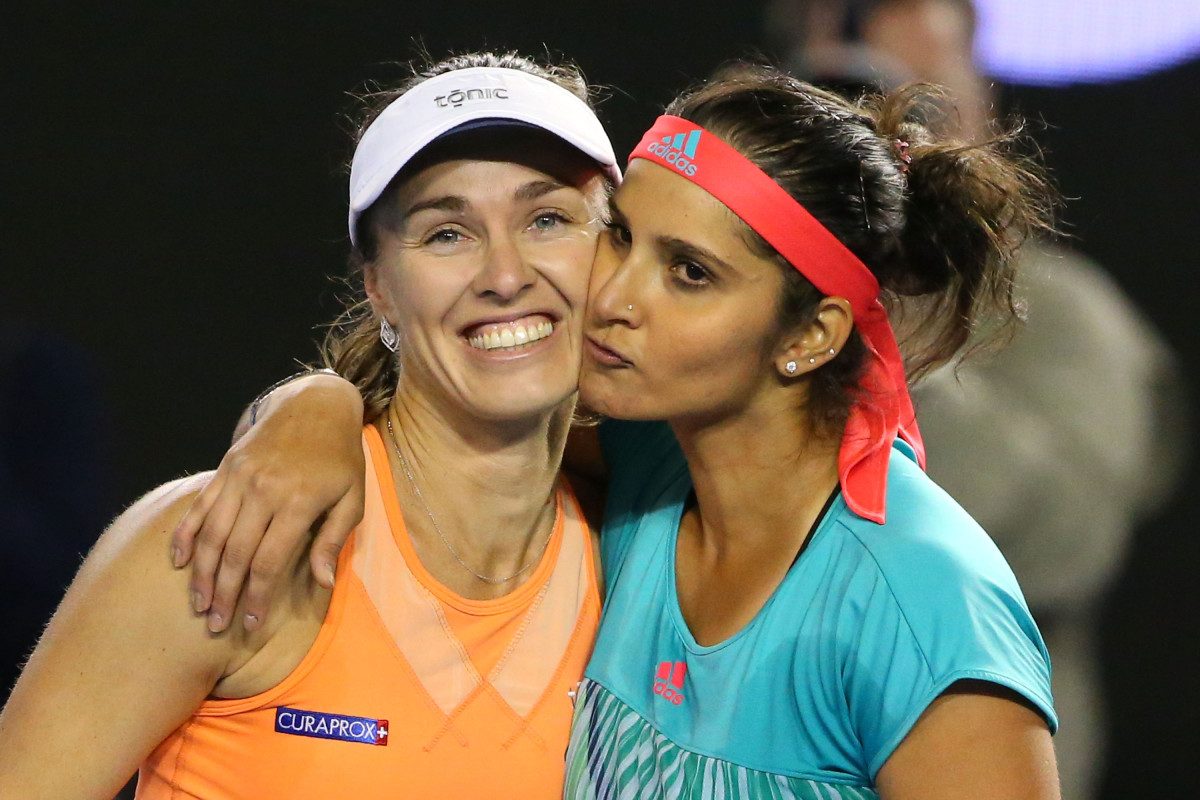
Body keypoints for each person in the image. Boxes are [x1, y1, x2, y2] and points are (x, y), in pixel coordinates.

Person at [173, 60, 1062, 797]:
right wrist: (309, 407)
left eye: (689, 273)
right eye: (624, 237)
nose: (614, 299)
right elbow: (431, 417)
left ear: (810, 336)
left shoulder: (925, 603)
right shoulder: (644, 467)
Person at [0, 50, 620, 799]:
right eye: (447, 234)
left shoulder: (642, 568)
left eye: (548, 220)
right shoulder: (222, 543)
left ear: (616, 252)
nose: (506, 275)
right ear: (379, 288)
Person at [765, 2, 1189, 796]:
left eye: (922, 95)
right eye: (854, 96)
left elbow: (1069, 539)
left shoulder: (1056, 308)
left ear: (980, 107)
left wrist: (870, 334)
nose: (891, 134)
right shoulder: (736, 299)